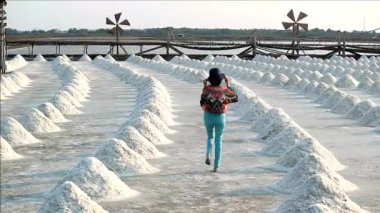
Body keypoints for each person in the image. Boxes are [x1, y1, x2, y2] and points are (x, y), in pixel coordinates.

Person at [200, 68, 238, 172]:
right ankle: (216, 166)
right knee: (218, 140)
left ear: (210, 79)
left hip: (208, 116)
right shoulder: (224, 91)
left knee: (210, 137)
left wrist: (204, 85)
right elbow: (235, 98)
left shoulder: (207, 89)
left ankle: (208, 154)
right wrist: (228, 84)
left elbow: (202, 101)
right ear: (220, 80)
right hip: (220, 117)